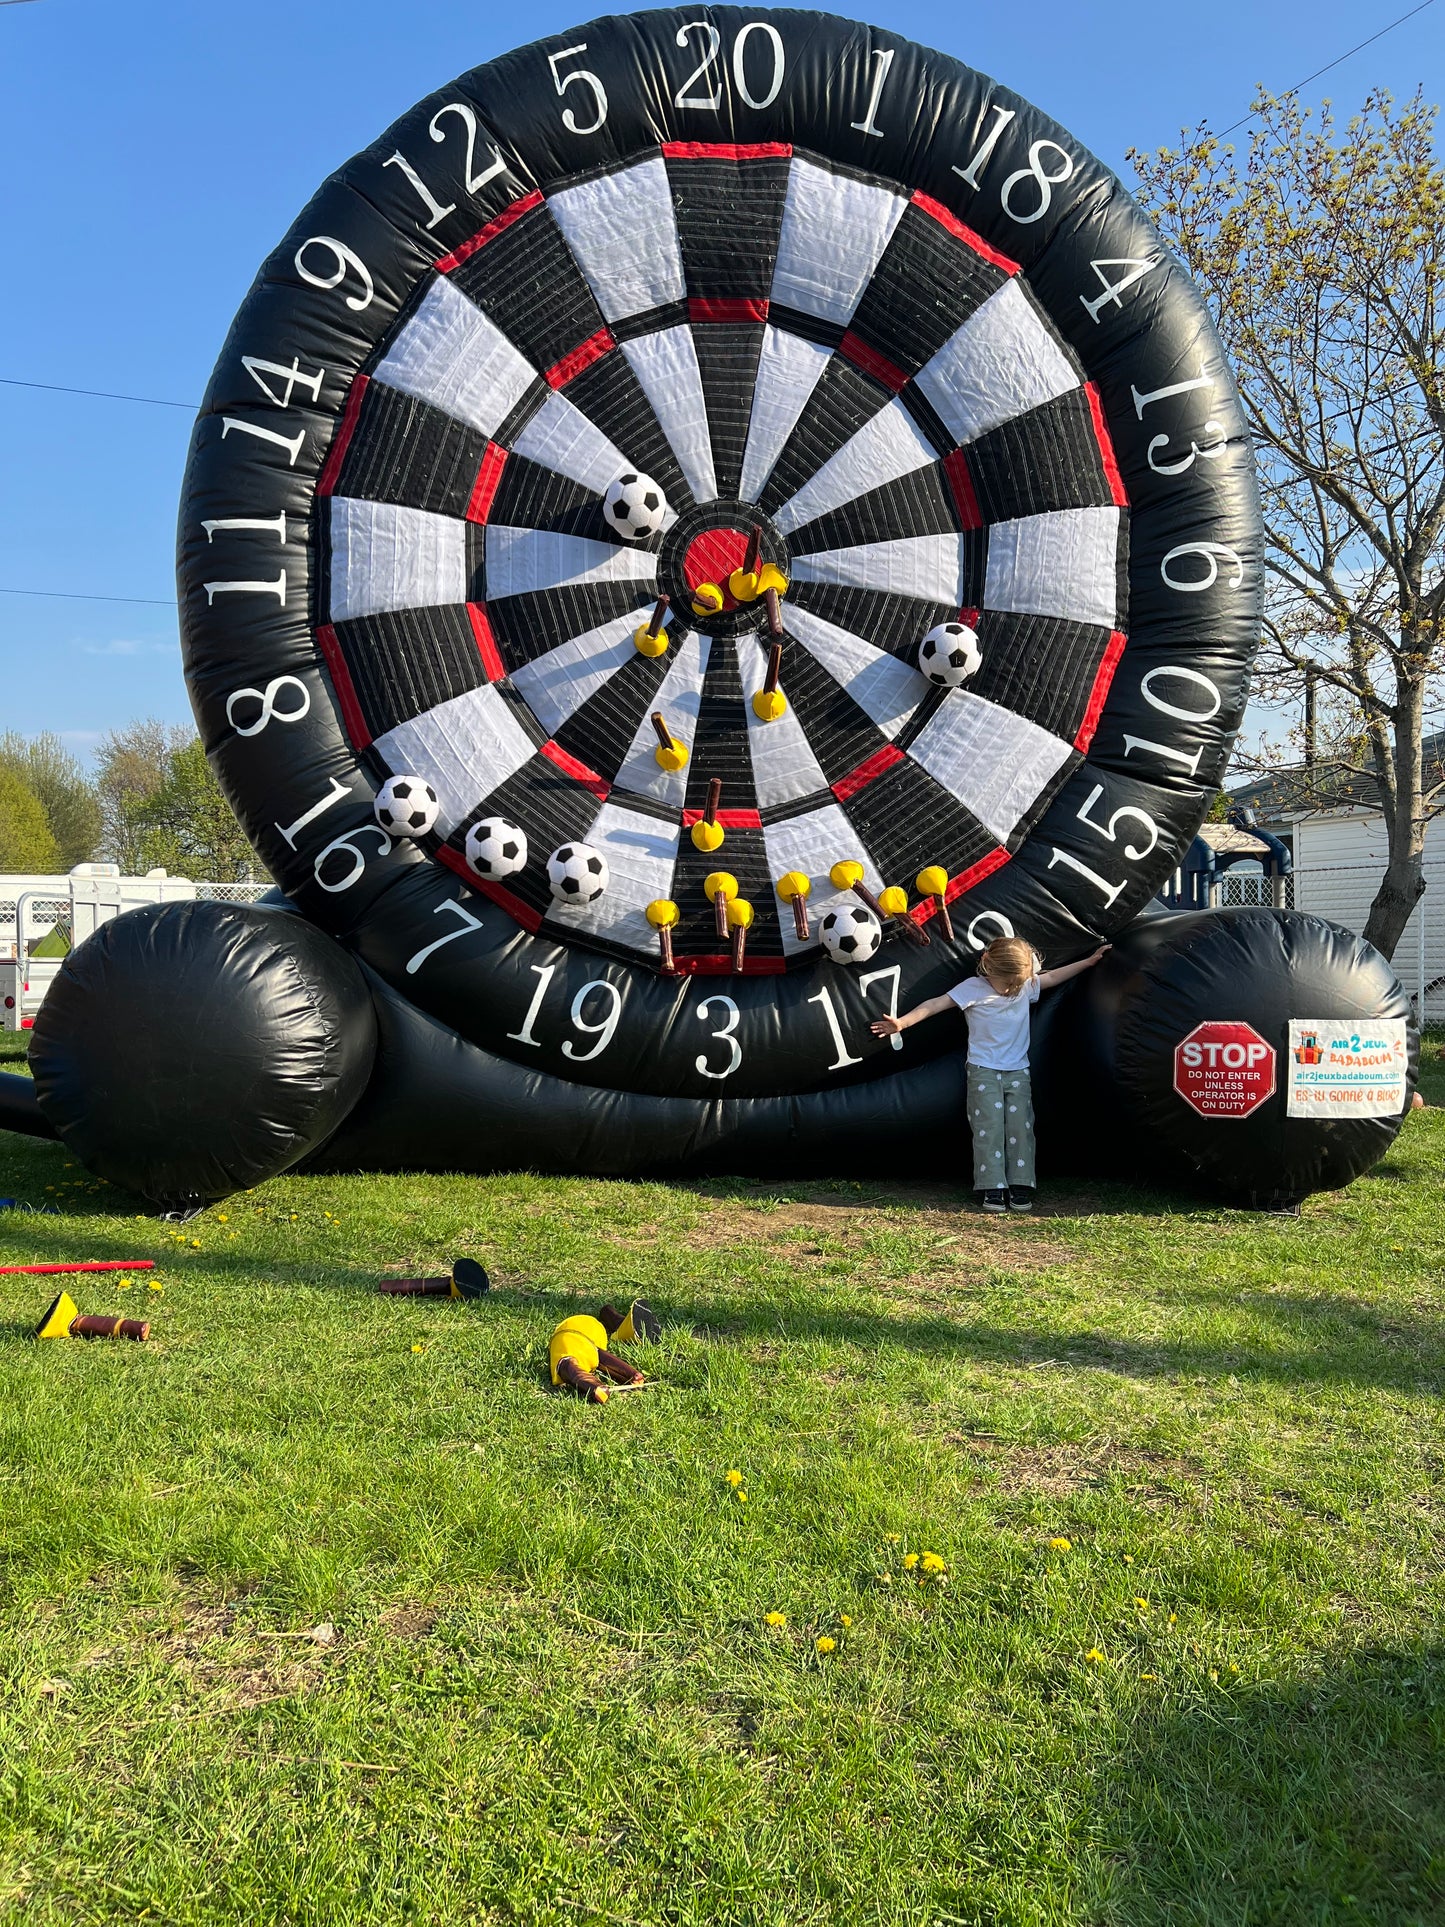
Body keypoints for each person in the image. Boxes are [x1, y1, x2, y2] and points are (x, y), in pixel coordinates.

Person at [870, 936, 1109, 1214]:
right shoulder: (973, 989)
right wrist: (902, 1023)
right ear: (988, 967)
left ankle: (1021, 1183)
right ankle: (992, 1185)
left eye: (1017, 983)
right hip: (983, 1070)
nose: (1011, 989)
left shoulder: (1023, 986)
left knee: (1021, 1126)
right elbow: (936, 1004)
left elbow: (1053, 976)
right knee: (988, 1127)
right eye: (1008, 983)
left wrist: (1089, 961)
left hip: (1018, 1070)